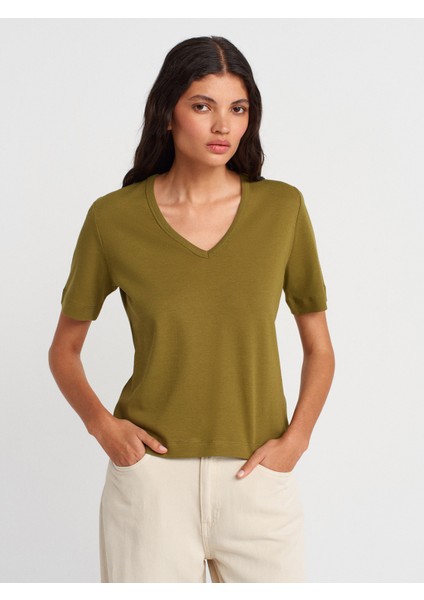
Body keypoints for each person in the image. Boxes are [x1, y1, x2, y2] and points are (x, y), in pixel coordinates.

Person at [48, 35, 335, 583]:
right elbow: (64, 349)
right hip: (150, 485)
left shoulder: (282, 209)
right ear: (167, 114)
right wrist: (103, 428)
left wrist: (295, 441)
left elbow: (319, 349)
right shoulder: (113, 219)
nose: (222, 125)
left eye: (238, 109)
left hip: (257, 479)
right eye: (203, 106)